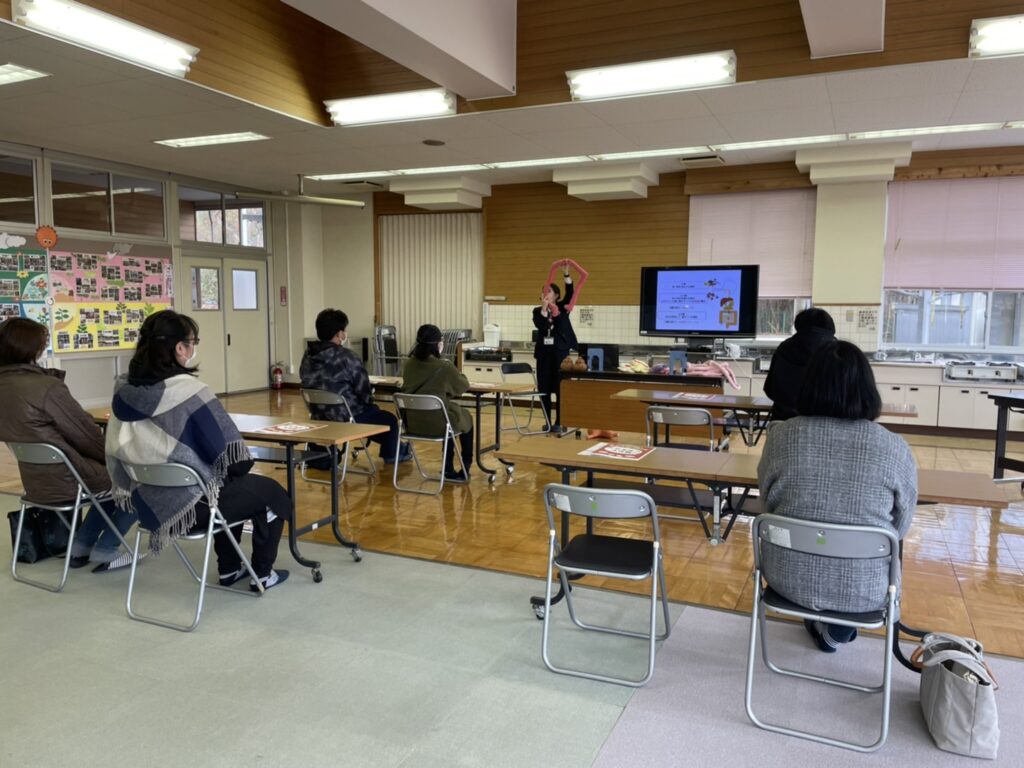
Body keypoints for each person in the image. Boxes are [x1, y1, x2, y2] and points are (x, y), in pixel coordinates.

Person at [105, 310, 289, 591]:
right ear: (180, 348)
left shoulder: (123, 391)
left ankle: (230, 570)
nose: (193, 348)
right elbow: (230, 456)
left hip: (146, 502)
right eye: (193, 342)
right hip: (191, 508)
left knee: (231, 486)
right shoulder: (189, 393)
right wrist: (236, 470)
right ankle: (262, 573)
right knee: (269, 492)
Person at [757, 339, 917, 652]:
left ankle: (823, 620)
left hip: (786, 576)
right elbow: (900, 526)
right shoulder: (894, 448)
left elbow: (768, 499)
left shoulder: (781, 437)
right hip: (863, 587)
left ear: (808, 386)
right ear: (868, 389)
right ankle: (837, 628)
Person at [0, 317, 136, 571]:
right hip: (70, 479)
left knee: (112, 480)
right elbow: (86, 436)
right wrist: (115, 457)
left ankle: (80, 544)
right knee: (137, 479)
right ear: (32, 349)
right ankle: (107, 548)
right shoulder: (45, 388)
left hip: (36, 481)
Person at [300, 308, 410, 466]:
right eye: (344, 330)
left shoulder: (308, 355)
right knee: (390, 421)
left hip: (319, 415)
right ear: (339, 334)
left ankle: (397, 448)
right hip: (348, 415)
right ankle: (393, 454)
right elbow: (363, 391)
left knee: (376, 417)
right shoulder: (347, 357)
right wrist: (370, 399)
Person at [400, 323, 473, 482]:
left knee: (448, 415)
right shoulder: (444, 366)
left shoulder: (409, 364)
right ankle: (464, 467)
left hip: (412, 423)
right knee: (465, 416)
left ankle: (449, 467)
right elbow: (462, 386)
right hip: (439, 424)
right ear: (438, 344)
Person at [533, 258, 589, 428]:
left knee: (560, 388)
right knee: (544, 388)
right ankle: (548, 421)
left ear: (556, 296)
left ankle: (560, 421)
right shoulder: (537, 311)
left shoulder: (564, 308)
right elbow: (541, 326)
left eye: (549, 291)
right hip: (543, 355)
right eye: (545, 291)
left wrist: (566, 273)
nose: (546, 293)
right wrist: (544, 309)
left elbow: (570, 293)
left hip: (560, 354)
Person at [763, 307, 836, 421]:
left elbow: (770, 388)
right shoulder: (838, 351)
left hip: (785, 421)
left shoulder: (785, 348)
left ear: (798, 325)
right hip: (829, 423)